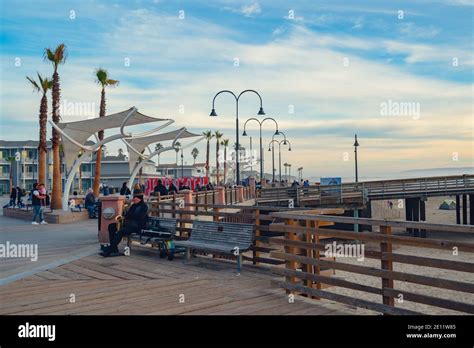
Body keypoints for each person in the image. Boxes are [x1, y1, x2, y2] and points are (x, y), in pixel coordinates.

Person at [101, 192, 148, 257]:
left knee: (121, 231)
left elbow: (139, 217)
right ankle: (114, 249)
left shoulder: (144, 206)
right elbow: (127, 215)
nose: (133, 199)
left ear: (139, 199)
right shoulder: (133, 205)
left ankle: (109, 250)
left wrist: (130, 216)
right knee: (111, 226)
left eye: (135, 198)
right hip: (128, 224)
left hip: (137, 226)